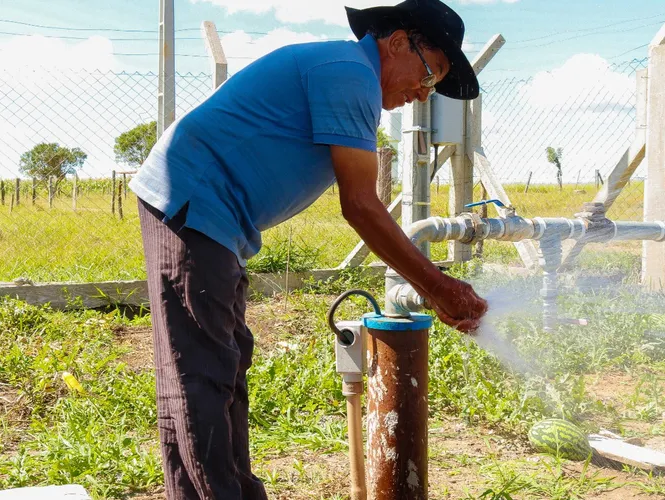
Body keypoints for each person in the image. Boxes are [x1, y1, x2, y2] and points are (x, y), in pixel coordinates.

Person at [128, 0, 488, 497]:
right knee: (202, 374)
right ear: (399, 42)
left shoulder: (348, 75)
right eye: (429, 74)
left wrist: (435, 284)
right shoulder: (348, 74)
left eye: (432, 88)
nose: (422, 93)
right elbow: (361, 206)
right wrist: (437, 285)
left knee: (224, 364)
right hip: (193, 203)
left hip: (216, 221)